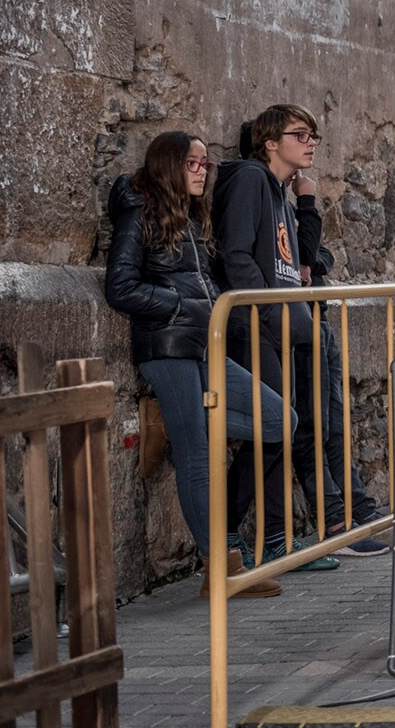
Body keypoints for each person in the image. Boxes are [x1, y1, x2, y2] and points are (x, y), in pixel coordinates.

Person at [103, 131, 283, 598]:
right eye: (193, 163)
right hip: (166, 349)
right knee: (197, 456)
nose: (203, 171)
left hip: (204, 348)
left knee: (280, 418)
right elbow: (119, 287)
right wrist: (180, 308)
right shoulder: (139, 211)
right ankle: (218, 569)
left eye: (206, 164)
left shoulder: (191, 216)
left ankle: (175, 418)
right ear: (168, 165)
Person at [213, 104, 385, 563]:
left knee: (279, 432)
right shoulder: (250, 180)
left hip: (279, 323)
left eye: (314, 136)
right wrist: (270, 311)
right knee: (271, 430)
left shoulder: (280, 194)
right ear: (271, 142)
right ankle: (226, 537)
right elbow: (236, 255)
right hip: (255, 323)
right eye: (300, 134)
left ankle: (276, 540)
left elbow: (304, 261)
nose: (310, 142)